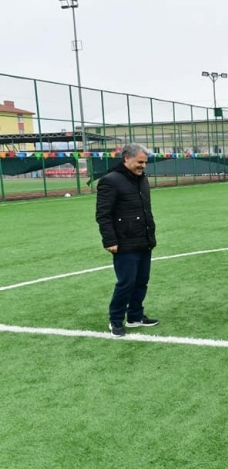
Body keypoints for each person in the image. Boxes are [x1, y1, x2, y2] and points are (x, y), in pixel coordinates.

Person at [95, 143, 160, 337]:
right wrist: (109, 240)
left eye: (145, 162)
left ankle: (135, 316)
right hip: (124, 242)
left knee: (142, 281)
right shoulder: (110, 181)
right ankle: (115, 320)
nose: (143, 166)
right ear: (126, 159)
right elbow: (103, 214)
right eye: (140, 162)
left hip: (144, 239)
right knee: (126, 282)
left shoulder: (142, 179)